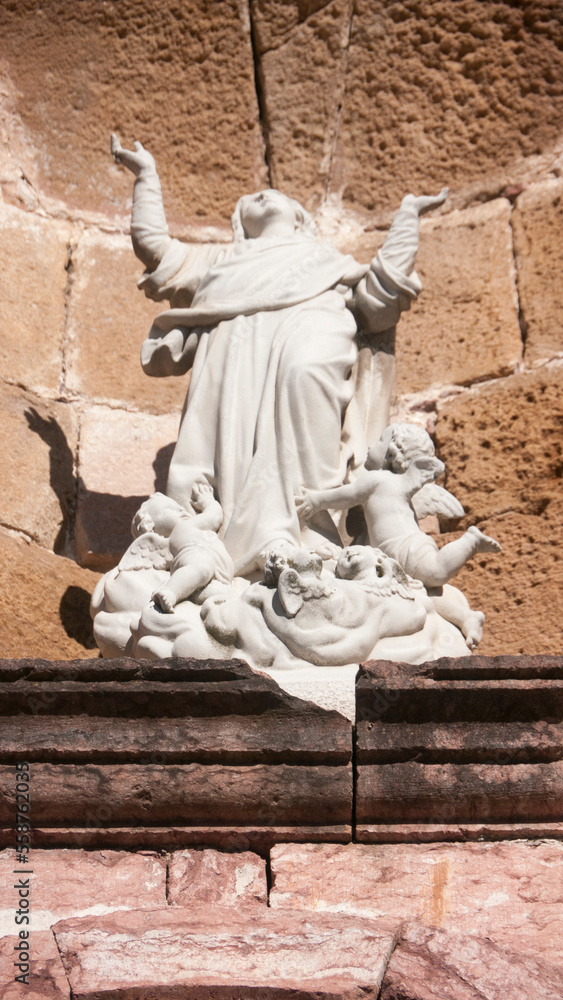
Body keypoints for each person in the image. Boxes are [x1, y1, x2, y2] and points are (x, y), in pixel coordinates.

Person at [111, 134, 448, 575]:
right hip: (236, 362)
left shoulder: (327, 259)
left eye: (276, 196)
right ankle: (232, 544)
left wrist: (406, 219)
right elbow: (156, 247)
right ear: (241, 224)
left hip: (314, 336)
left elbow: (379, 303)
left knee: (303, 376)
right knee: (237, 427)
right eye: (249, 200)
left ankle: (313, 531)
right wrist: (146, 178)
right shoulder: (221, 259)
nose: (260, 196)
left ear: (301, 218)